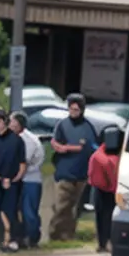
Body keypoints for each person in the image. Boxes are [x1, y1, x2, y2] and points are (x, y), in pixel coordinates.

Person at [49, 92, 100, 242]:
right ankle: (54, 233)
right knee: (61, 205)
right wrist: (67, 148)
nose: (73, 112)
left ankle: (67, 235)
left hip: (81, 174)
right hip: (64, 172)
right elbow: (55, 143)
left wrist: (69, 148)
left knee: (74, 207)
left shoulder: (88, 127)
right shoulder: (62, 125)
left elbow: (90, 148)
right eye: (71, 109)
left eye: (76, 110)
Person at [0, 106, 27, 253]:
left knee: (11, 210)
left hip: (13, 180)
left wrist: (14, 179)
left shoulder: (16, 140)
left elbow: (22, 163)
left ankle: (14, 239)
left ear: (5, 121)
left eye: (0, 121)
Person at [10, 110, 45, 248]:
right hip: (18, 180)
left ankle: (33, 238)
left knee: (29, 212)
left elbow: (23, 162)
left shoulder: (28, 140)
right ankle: (20, 238)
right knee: (16, 212)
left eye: (11, 121)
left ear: (18, 124)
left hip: (30, 180)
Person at [88, 125, 122, 252]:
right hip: (108, 189)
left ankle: (104, 243)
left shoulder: (97, 156)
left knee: (103, 217)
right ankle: (105, 243)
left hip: (103, 189)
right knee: (105, 216)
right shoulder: (102, 158)